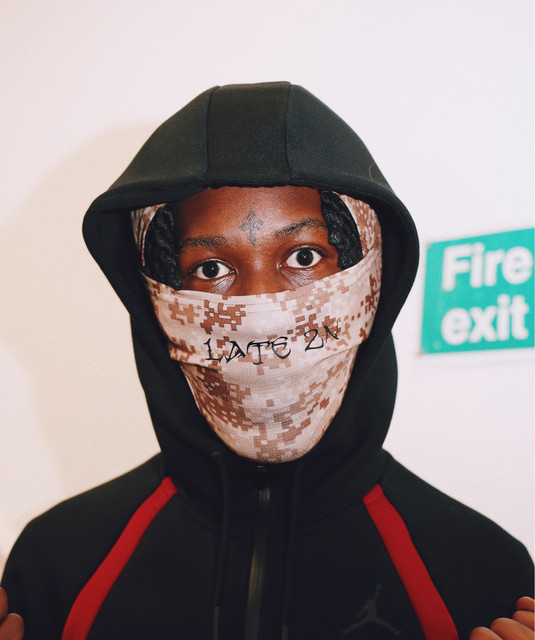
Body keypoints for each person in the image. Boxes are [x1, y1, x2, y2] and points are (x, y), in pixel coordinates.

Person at [1, 82, 533, 639]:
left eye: (303, 257)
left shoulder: (481, 573)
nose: (260, 314)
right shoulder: (59, 563)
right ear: (153, 294)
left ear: (372, 277)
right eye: (210, 269)